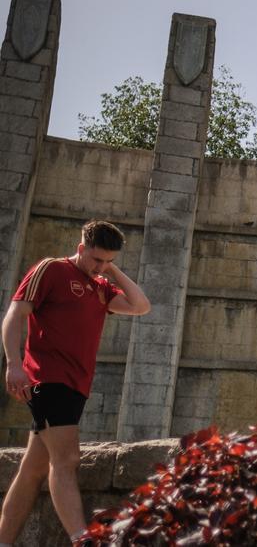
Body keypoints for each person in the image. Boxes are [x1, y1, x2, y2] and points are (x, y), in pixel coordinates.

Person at [0, 220, 150, 544]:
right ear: (81, 248)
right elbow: (14, 314)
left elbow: (140, 306)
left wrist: (111, 271)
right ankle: (82, 539)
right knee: (67, 459)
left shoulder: (102, 287)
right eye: (97, 259)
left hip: (77, 385)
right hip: (48, 378)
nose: (101, 266)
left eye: (108, 260)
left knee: (33, 469)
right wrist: (13, 364)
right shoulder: (51, 269)